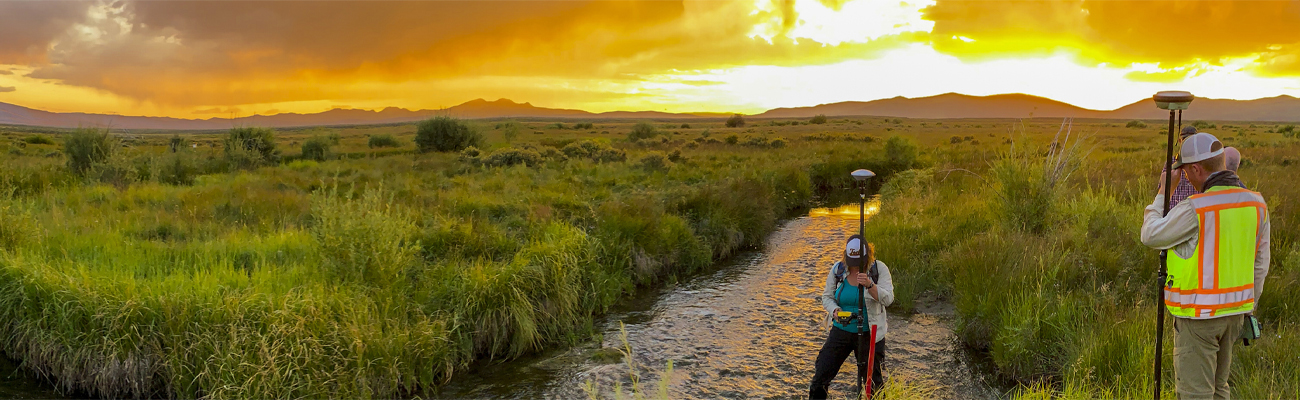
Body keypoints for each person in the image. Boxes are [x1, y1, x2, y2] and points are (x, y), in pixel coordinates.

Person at [1141, 132, 1270, 400]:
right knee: (1219, 389)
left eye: (1187, 172)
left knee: (1195, 394)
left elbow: (1150, 235)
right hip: (1236, 315)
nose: (1185, 177)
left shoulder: (1196, 208)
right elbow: (1260, 264)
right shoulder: (1256, 203)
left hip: (1198, 318)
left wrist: (1164, 191)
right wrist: (1248, 306)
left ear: (1197, 169)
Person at [809, 234, 894, 399]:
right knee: (821, 373)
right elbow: (827, 297)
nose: (855, 266)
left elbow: (889, 299)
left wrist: (870, 285)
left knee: (872, 384)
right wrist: (835, 311)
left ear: (867, 255)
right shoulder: (838, 270)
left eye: (859, 262)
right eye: (852, 261)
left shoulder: (879, 269)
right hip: (841, 329)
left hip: (870, 333)